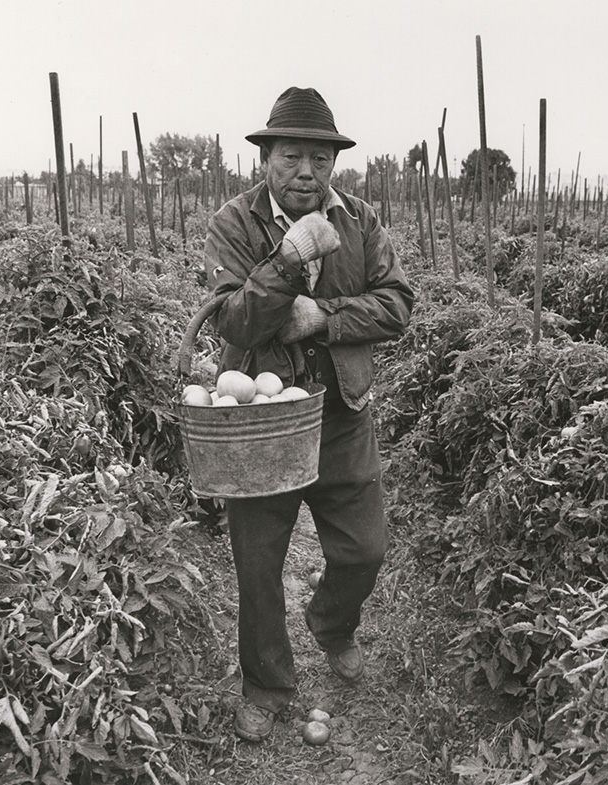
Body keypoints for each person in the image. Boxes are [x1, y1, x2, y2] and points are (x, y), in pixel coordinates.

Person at [203, 86, 413, 742]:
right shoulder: (234, 225)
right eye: (291, 156)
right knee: (259, 562)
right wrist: (288, 260)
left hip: (341, 410)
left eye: (319, 160)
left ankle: (332, 623)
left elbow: (398, 304)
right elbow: (232, 316)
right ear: (265, 158)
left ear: (334, 163)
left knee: (364, 548)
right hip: (260, 421)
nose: (305, 172)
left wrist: (323, 317)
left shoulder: (360, 222)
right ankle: (265, 683)